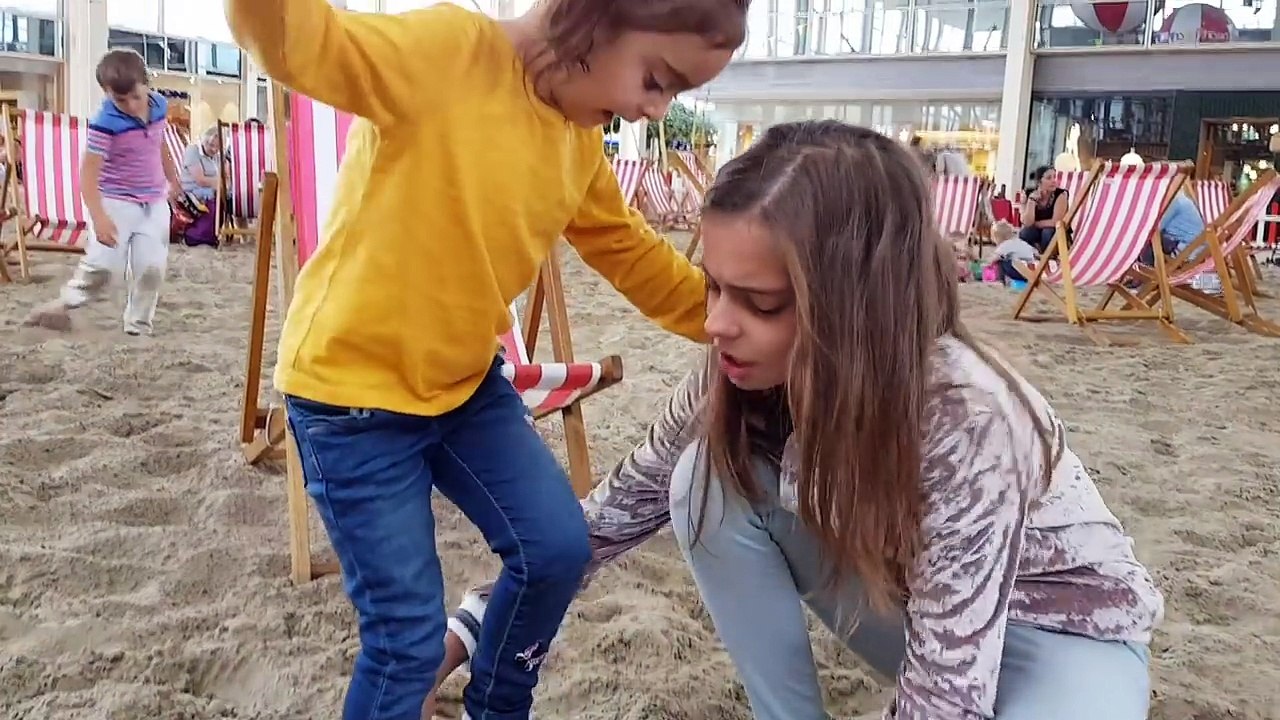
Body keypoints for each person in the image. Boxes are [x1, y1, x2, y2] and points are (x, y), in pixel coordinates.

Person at [437, 121, 1164, 719]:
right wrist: (460, 636)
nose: (716, 324)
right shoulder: (738, 370)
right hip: (916, 617)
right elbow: (605, 520)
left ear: (855, 305)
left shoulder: (965, 416)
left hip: (1062, 637)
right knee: (701, 481)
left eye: (760, 302)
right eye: (714, 288)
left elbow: (949, 696)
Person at [224, 1, 746, 719]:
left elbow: (631, 252)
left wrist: (729, 322)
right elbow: (300, 43)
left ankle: (496, 707)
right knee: (406, 641)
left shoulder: (575, 138)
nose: (654, 110)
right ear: (589, 16)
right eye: (656, 79)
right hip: (352, 402)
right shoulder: (448, 52)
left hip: (465, 388)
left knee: (557, 549)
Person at [25, 48, 180, 335]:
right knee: (103, 268)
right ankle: (65, 303)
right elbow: (88, 174)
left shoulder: (159, 105)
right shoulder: (104, 122)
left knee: (151, 268)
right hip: (116, 201)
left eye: (136, 96)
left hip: (154, 200)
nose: (131, 105)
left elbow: (159, 143)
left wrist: (173, 178)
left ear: (147, 84)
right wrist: (100, 218)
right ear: (106, 93)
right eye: (120, 100)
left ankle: (138, 326)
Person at [177, 125, 227, 247]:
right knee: (214, 198)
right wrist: (221, 183)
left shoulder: (217, 155)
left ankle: (213, 234)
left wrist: (223, 183)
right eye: (211, 145)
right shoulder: (193, 150)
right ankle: (195, 236)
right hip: (191, 191)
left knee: (228, 198)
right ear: (204, 140)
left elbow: (225, 175)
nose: (214, 149)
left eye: (217, 147)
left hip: (209, 189)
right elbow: (200, 180)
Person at [1020, 165, 1068, 254]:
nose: (1053, 180)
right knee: (1025, 233)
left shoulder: (1060, 195)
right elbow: (1027, 222)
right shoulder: (1029, 194)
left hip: (1055, 233)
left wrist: (1035, 224)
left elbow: (1056, 222)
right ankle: (1032, 254)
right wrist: (1031, 201)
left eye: (1054, 177)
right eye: (1049, 178)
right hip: (1037, 232)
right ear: (1039, 182)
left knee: (1047, 232)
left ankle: (1044, 257)